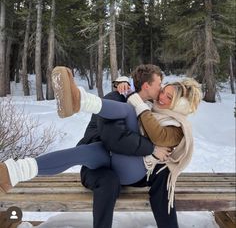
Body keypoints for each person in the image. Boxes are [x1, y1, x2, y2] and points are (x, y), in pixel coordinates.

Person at [0, 64, 202, 228]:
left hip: (131, 169)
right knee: (78, 153)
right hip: (106, 156)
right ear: (147, 85)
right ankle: (14, 172)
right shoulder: (121, 98)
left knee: (130, 112)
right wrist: (125, 87)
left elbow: (153, 134)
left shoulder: (166, 120)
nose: (161, 94)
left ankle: (80, 100)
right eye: (161, 86)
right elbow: (113, 138)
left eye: (168, 95)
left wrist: (150, 148)